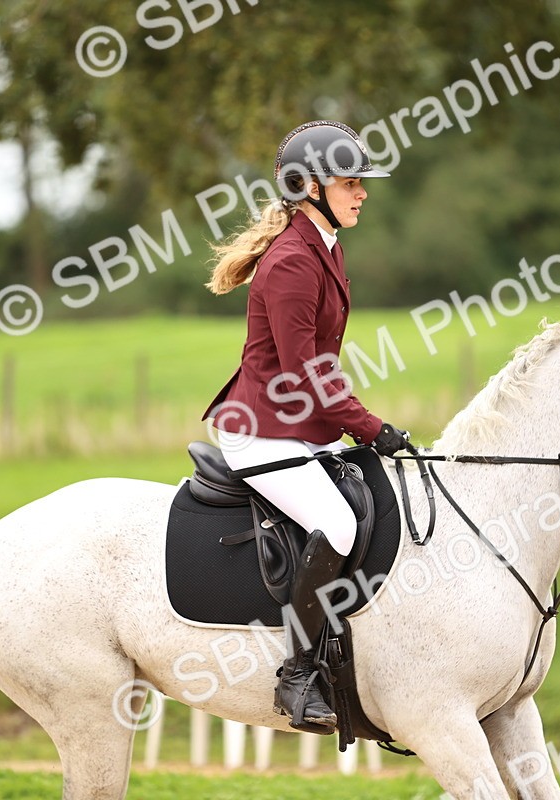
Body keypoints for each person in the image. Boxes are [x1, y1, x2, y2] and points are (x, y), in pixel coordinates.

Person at [202, 120, 409, 733]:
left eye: (361, 183)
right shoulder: (293, 262)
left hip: (296, 424)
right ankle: (296, 677)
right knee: (339, 525)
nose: (363, 193)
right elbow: (305, 371)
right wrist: (368, 427)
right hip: (260, 430)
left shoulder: (324, 246)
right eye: (351, 183)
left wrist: (357, 430)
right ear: (311, 187)